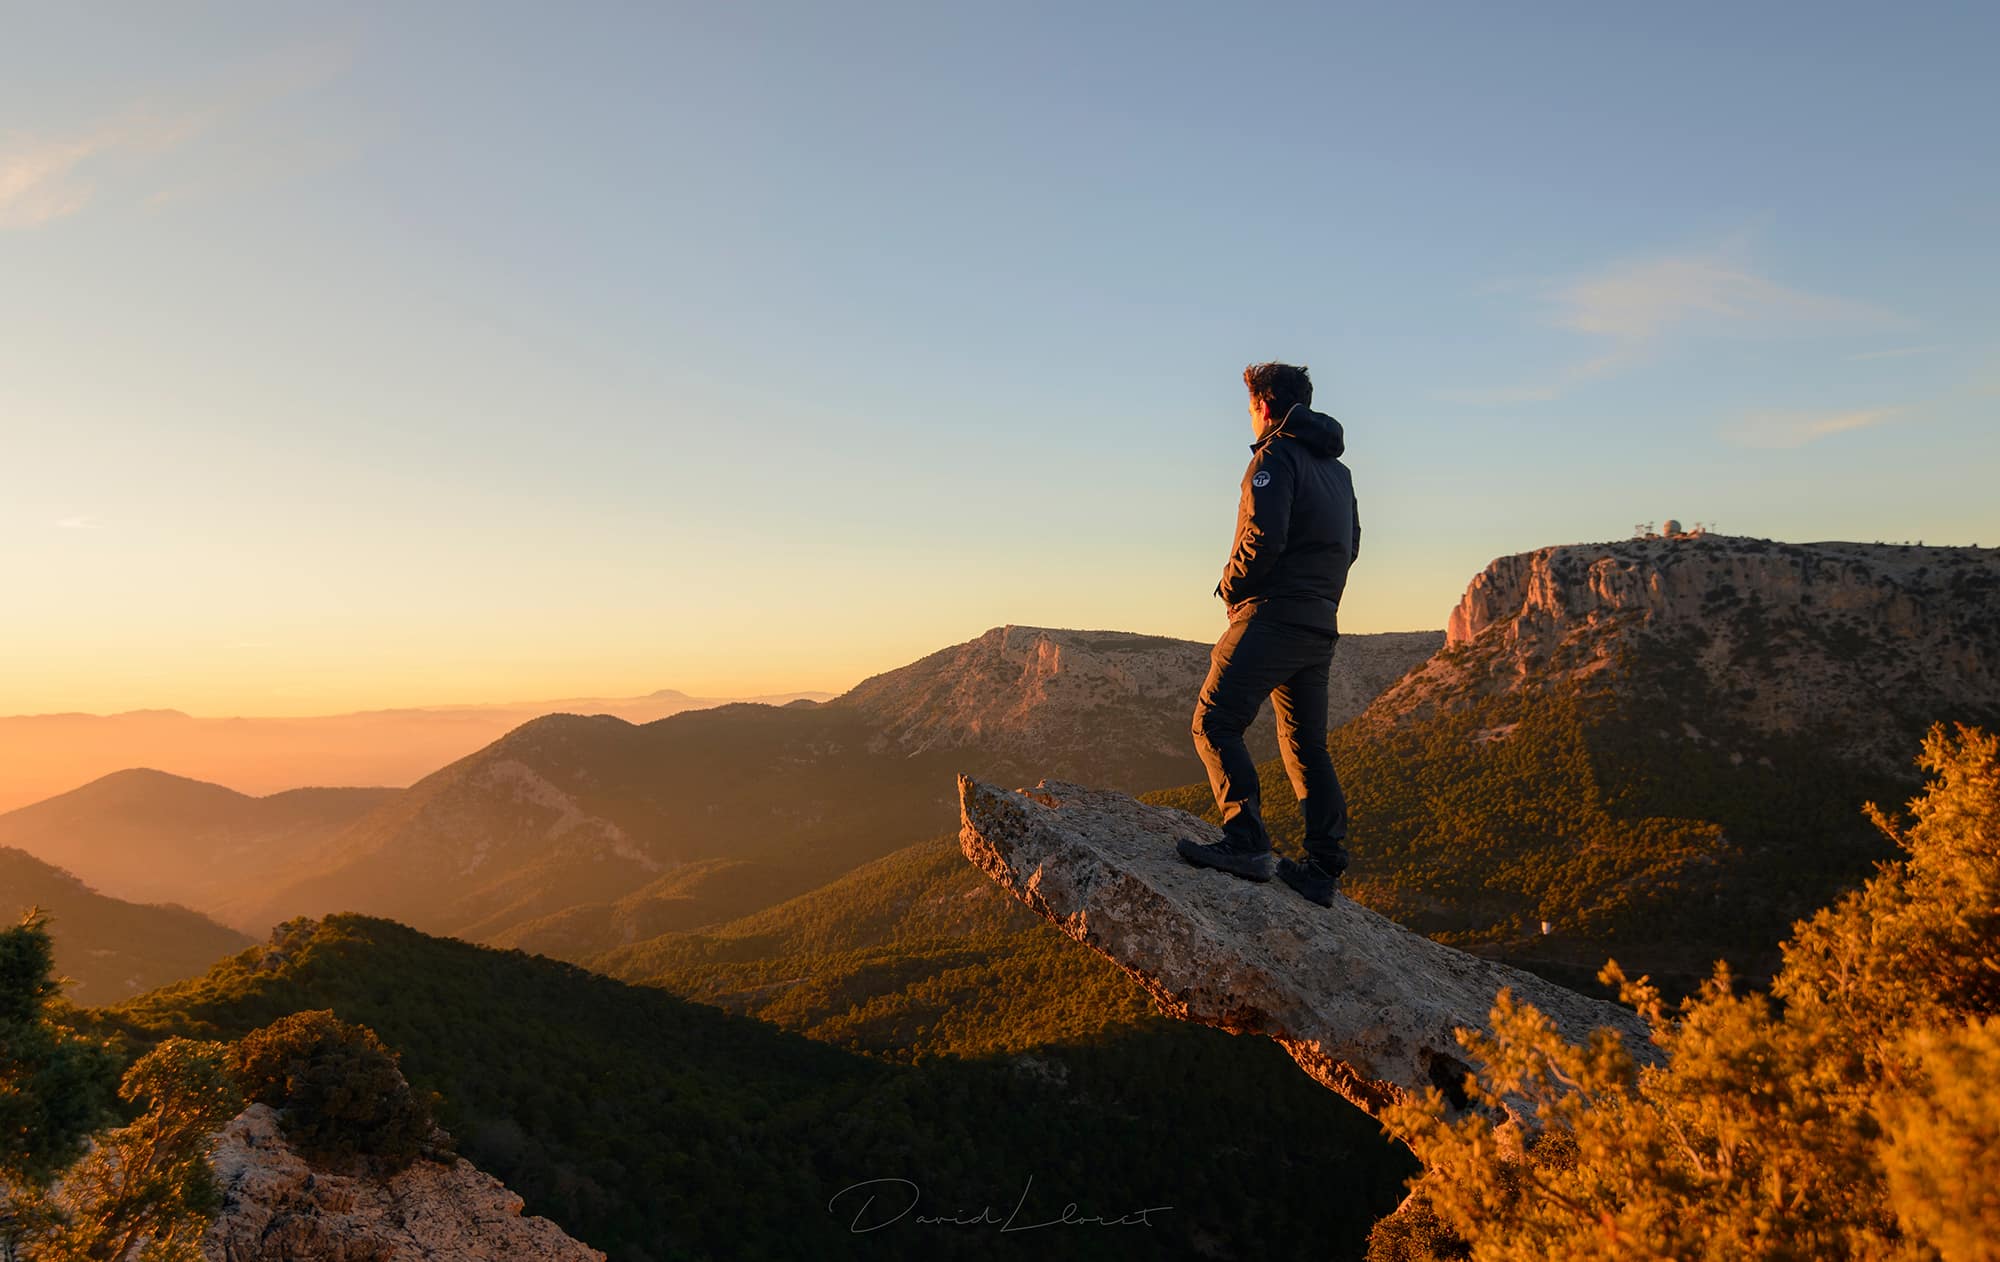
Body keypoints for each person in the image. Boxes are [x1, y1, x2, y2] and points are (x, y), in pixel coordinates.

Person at [1176, 362, 1359, 907]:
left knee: (1213, 721)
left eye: (1251, 406)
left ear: (1265, 405)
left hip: (1272, 614)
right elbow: (1351, 545)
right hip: (1319, 621)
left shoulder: (1274, 456)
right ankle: (1323, 867)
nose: (1249, 417)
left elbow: (1262, 536)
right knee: (1305, 745)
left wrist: (1231, 587)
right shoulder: (1339, 472)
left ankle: (1246, 841)